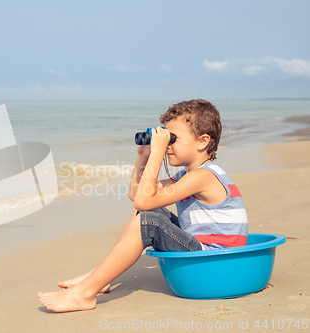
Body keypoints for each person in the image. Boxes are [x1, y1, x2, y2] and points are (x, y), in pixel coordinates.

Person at [37, 99, 248, 312]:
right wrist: (142, 157)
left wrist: (156, 154)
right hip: (205, 254)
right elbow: (137, 196)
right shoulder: (188, 176)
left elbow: (143, 199)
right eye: (166, 139)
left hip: (214, 262)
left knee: (149, 221)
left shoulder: (204, 176)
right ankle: (99, 278)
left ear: (202, 141)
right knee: (148, 211)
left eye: (172, 139)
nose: (166, 146)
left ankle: (85, 294)